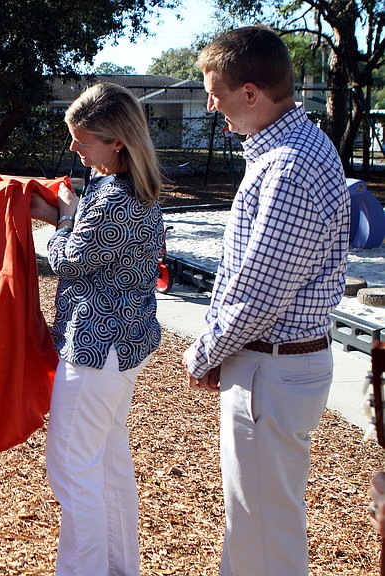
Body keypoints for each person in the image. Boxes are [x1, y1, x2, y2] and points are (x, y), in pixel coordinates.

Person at [182, 26, 350, 575]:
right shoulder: (293, 151)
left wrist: (203, 352)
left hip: (271, 369)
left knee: (262, 532)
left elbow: (258, 292)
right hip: (273, 365)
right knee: (259, 522)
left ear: (251, 93)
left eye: (217, 93)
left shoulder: (288, 168)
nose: (212, 106)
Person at [30, 82, 164, 575]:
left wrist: (63, 219)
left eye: (82, 139)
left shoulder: (111, 198)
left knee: (71, 469)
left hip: (95, 346)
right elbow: (93, 246)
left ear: (117, 142)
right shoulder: (132, 188)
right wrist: (66, 216)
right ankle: (117, 567)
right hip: (123, 345)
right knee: (107, 467)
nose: (74, 147)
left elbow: (68, 259)